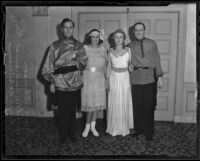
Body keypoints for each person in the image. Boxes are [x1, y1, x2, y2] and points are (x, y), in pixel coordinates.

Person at [41, 18, 88, 144]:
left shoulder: (79, 45)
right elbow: (48, 65)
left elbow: (83, 63)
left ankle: (71, 134)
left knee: (72, 111)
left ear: (73, 28)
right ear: (62, 29)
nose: (68, 29)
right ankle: (62, 135)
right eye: (65, 27)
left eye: (70, 27)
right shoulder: (54, 46)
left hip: (74, 83)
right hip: (59, 82)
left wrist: (78, 59)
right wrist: (51, 82)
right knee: (61, 111)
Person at [128, 22, 164, 141]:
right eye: (136, 30)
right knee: (137, 107)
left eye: (141, 30)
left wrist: (160, 76)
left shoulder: (152, 43)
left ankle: (149, 132)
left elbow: (157, 60)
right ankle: (139, 130)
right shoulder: (129, 46)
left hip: (149, 79)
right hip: (135, 79)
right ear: (133, 32)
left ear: (144, 31)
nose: (138, 32)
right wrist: (129, 67)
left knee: (149, 107)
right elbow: (126, 62)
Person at [106, 29, 133, 136]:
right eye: (116, 37)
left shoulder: (128, 50)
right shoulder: (110, 51)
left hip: (125, 78)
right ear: (113, 39)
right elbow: (108, 67)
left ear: (124, 39)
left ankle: (124, 128)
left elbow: (131, 65)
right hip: (113, 78)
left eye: (120, 37)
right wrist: (107, 80)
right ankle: (114, 128)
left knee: (124, 101)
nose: (118, 39)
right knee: (114, 101)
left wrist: (131, 68)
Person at [81, 29, 107, 137]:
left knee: (96, 104)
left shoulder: (102, 49)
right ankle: (87, 127)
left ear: (99, 38)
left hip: (100, 78)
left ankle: (93, 126)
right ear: (90, 38)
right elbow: (80, 64)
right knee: (89, 104)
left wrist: (107, 79)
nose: (95, 39)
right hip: (88, 77)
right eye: (93, 37)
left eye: (97, 37)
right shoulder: (84, 48)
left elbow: (105, 65)